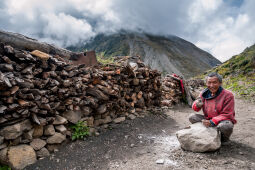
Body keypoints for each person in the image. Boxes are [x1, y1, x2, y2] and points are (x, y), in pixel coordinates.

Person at [190, 72, 236, 142]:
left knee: (226, 126)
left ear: (220, 83)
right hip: (208, 119)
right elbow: (195, 108)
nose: (211, 85)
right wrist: (197, 104)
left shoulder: (228, 95)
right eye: (209, 83)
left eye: (215, 82)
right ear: (206, 83)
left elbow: (227, 114)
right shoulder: (204, 93)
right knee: (192, 117)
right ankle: (208, 133)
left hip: (222, 121)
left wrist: (212, 121)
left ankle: (224, 139)